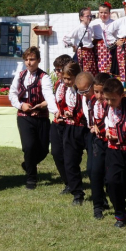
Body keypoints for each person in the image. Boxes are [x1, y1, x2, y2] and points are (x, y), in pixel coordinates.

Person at [9, 46, 56, 190]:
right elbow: (12, 94)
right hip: (24, 116)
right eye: (26, 60)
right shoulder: (20, 75)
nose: (29, 63)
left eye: (32, 59)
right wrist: (21, 105)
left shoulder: (44, 77)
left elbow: (49, 95)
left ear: (39, 60)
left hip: (41, 117)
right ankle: (31, 178)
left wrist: (49, 107)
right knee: (29, 147)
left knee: (43, 149)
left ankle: (28, 164)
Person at [101, 77, 126, 228]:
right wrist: (107, 131)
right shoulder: (107, 106)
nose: (110, 103)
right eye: (107, 99)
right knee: (112, 181)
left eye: (113, 99)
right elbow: (107, 121)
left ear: (122, 96)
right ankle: (120, 215)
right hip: (114, 150)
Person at [52, 62, 87, 206]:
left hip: (84, 128)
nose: (66, 81)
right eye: (65, 78)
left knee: (93, 165)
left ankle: (102, 194)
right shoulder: (64, 89)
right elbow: (64, 104)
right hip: (70, 127)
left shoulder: (83, 90)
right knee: (70, 161)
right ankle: (77, 193)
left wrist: (73, 114)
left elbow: (85, 109)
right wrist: (65, 111)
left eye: (69, 78)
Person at [83, 72, 111, 219]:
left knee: (112, 176)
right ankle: (97, 206)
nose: (100, 96)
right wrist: (93, 126)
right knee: (94, 171)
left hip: (112, 142)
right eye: (97, 92)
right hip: (98, 141)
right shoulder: (92, 101)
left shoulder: (114, 102)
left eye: (102, 92)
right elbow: (92, 118)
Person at [48, 55, 73, 192]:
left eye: (59, 70)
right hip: (57, 122)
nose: (57, 73)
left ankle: (73, 182)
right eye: (56, 70)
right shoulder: (57, 83)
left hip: (69, 124)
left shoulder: (73, 84)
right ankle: (67, 181)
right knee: (56, 153)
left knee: (69, 155)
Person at [65, 8, 97, 73]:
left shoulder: (90, 27)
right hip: (82, 52)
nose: (90, 18)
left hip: (90, 52)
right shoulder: (78, 28)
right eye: (88, 16)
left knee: (92, 72)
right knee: (84, 72)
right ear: (81, 17)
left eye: (90, 16)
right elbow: (66, 38)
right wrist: (73, 46)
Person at [91, 2, 118, 75]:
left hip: (110, 47)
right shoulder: (94, 23)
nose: (103, 15)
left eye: (105, 13)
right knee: (98, 66)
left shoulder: (114, 23)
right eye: (101, 12)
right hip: (98, 48)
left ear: (109, 13)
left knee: (109, 65)